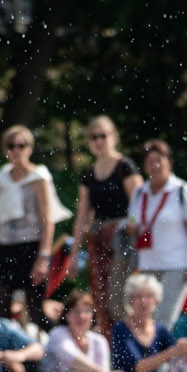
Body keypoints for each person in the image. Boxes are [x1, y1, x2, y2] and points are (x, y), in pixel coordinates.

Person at [0, 123, 58, 320]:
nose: (16, 150)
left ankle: (47, 349)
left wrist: (43, 257)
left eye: (21, 145)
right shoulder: (1, 177)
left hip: (31, 245)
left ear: (30, 148)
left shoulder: (38, 177)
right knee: (1, 305)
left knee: (35, 308)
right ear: (5, 149)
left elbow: (47, 219)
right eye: (11, 146)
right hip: (5, 245)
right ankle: (2, 349)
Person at [72, 116, 142, 313]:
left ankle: (130, 341)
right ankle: (109, 342)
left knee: (120, 298)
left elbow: (139, 203)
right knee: (100, 299)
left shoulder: (125, 166)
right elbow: (82, 217)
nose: (98, 141)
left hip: (123, 239)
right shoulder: (88, 173)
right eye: (93, 137)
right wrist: (74, 254)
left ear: (114, 137)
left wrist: (132, 226)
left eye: (103, 135)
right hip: (99, 239)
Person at [130, 139, 187, 313]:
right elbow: (133, 217)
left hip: (176, 263)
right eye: (150, 161)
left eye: (159, 160)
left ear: (169, 162)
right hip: (148, 263)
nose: (155, 165)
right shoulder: (140, 192)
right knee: (147, 315)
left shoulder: (182, 190)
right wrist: (132, 225)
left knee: (164, 316)